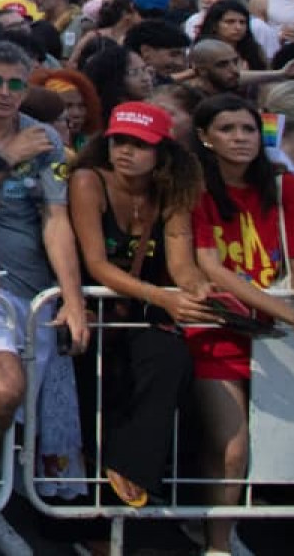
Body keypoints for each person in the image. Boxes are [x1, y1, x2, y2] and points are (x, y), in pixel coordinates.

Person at [187, 93, 294, 556]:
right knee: (231, 446)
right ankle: (218, 545)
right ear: (205, 137)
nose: (240, 138)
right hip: (218, 327)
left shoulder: (284, 186)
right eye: (227, 129)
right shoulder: (194, 187)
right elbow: (212, 267)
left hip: (283, 328)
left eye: (248, 129)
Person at [0, 40, 88, 520]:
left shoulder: (45, 137)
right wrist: (4, 159)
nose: (5, 92)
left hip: (33, 292)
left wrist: (72, 300)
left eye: (16, 84)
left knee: (20, 413)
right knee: (1, 390)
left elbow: (56, 221)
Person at [65, 103, 215, 509]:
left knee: (171, 357)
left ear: (162, 151)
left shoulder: (173, 190)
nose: (126, 152)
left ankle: (130, 466)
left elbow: (182, 265)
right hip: (88, 308)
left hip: (139, 313)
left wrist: (198, 289)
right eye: (119, 142)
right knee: (92, 376)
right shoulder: (88, 180)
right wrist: (162, 296)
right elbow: (96, 264)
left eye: (139, 144)